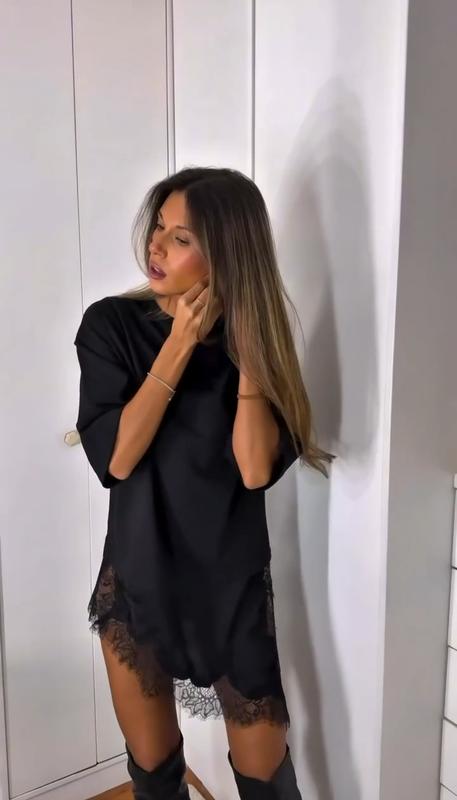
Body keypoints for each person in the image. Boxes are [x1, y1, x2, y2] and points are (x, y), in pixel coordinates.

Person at [74, 166, 335, 800]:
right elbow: (117, 460)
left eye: (181, 237)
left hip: (232, 589)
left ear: (226, 255)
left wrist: (249, 354)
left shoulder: (254, 343)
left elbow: (254, 470)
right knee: (155, 776)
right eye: (159, 228)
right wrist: (180, 344)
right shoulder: (110, 326)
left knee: (267, 779)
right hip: (138, 581)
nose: (157, 245)